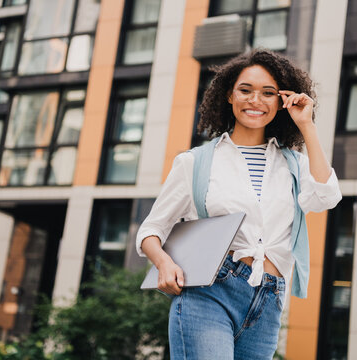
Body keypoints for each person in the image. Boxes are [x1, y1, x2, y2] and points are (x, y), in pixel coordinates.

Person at [135, 48, 342, 359]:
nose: (255, 100)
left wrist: (307, 125)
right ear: (229, 96)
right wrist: (164, 264)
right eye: (245, 90)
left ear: (281, 101)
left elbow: (327, 196)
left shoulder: (295, 164)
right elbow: (151, 230)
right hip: (209, 292)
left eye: (268, 93)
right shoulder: (195, 162)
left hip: (269, 299)